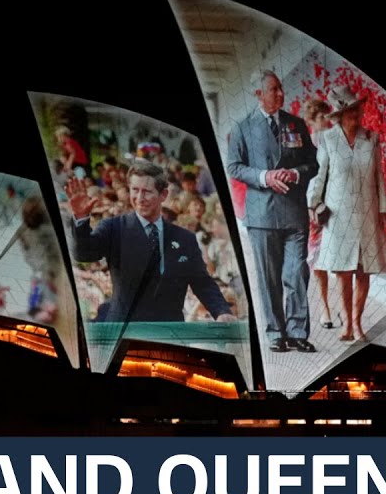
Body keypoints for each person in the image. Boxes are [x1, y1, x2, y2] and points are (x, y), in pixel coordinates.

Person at [65, 160, 234, 323]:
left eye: (146, 191)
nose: (139, 198)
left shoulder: (184, 238)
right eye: (135, 190)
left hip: (170, 335)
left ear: (163, 195)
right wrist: (81, 219)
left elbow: (201, 282)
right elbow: (84, 253)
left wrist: (222, 311)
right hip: (125, 334)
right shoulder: (114, 228)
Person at [226, 70, 319, 352]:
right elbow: (234, 166)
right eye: (274, 89)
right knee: (269, 278)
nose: (281, 94)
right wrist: (265, 176)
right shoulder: (242, 127)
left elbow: (312, 164)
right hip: (262, 215)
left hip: (294, 213)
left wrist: (293, 173)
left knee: (296, 274)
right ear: (258, 94)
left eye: (281, 88)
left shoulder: (297, 124)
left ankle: (298, 332)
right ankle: (275, 333)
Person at [306, 85, 386, 343]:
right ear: (340, 115)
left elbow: (379, 176)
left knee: (364, 271)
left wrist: (383, 209)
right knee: (343, 272)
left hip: (367, 212)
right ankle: (346, 324)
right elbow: (320, 175)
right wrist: (314, 204)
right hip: (338, 214)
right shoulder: (329, 140)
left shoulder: (371, 138)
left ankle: (357, 324)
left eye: (357, 109)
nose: (356, 113)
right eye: (350, 110)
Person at [301, 97, 337, 330]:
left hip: (337, 206)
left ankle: (347, 307)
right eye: (322, 117)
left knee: (347, 259)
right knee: (318, 261)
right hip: (314, 209)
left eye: (328, 115)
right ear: (312, 121)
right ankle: (325, 308)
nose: (328, 121)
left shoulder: (339, 143)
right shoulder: (306, 147)